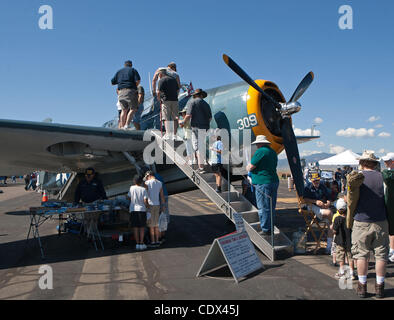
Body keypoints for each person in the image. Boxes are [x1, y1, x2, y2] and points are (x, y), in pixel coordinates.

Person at [351, 151, 389, 298]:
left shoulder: (356, 178)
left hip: (361, 221)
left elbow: (350, 199)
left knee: (361, 255)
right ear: (374, 163)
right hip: (381, 221)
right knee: (381, 255)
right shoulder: (383, 178)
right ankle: (379, 287)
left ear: (362, 163)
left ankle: (362, 287)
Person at [246, 135, 279, 236]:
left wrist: (248, 167)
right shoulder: (273, 152)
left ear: (260, 143)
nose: (256, 146)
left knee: (263, 206)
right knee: (271, 206)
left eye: (257, 144)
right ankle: (270, 227)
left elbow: (251, 167)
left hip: (263, 182)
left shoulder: (260, 151)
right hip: (273, 181)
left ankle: (265, 229)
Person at [179, 89, 212, 172]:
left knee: (197, 148)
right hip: (205, 128)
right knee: (202, 146)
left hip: (196, 128)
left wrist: (182, 122)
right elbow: (210, 118)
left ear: (195, 95)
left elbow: (188, 115)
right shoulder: (206, 104)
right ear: (201, 95)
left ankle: (201, 167)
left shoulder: (192, 102)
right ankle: (204, 163)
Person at [303, 173, 333, 254]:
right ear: (312, 180)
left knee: (332, 221)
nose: (316, 182)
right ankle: (331, 245)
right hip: (312, 206)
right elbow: (305, 199)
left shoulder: (322, 186)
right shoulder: (308, 187)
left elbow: (329, 197)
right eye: (315, 180)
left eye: (318, 180)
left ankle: (329, 246)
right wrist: (315, 201)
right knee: (330, 214)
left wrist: (328, 203)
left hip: (322, 206)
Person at [111, 60, 141, 129]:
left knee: (124, 110)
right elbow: (138, 80)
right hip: (130, 91)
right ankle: (126, 125)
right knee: (133, 108)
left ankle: (121, 126)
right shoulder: (133, 70)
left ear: (124, 65)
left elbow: (112, 82)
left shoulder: (119, 71)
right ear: (131, 65)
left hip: (121, 92)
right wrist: (134, 86)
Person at [333, 198, 356, 280]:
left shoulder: (337, 219)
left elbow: (334, 231)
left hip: (340, 241)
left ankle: (342, 272)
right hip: (350, 241)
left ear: (338, 210)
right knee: (350, 257)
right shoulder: (350, 218)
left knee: (341, 257)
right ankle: (352, 273)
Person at [128, 175, 149, 251]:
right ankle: (141, 243)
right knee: (142, 228)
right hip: (142, 210)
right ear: (141, 182)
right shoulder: (143, 189)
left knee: (135, 227)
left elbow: (129, 198)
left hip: (133, 209)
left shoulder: (131, 188)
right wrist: (147, 207)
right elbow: (145, 201)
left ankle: (137, 244)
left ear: (134, 181)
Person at [157, 68, 179, 139]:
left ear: (161, 74)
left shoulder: (161, 80)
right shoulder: (173, 80)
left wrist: (159, 98)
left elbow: (158, 92)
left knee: (166, 118)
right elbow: (178, 89)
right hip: (175, 100)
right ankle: (174, 135)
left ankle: (168, 134)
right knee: (175, 118)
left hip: (165, 101)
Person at [144, 171, 165, 247]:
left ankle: (153, 241)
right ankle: (157, 240)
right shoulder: (159, 183)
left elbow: (145, 196)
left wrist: (146, 205)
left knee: (151, 225)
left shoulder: (147, 183)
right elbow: (162, 196)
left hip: (150, 206)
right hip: (157, 205)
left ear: (149, 175)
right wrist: (163, 206)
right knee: (156, 224)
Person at [381, 153, 394, 263]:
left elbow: (386, 176)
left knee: (390, 228)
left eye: (387, 161)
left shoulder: (388, 174)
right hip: (389, 204)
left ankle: (392, 251)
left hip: (391, 205)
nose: (385, 163)